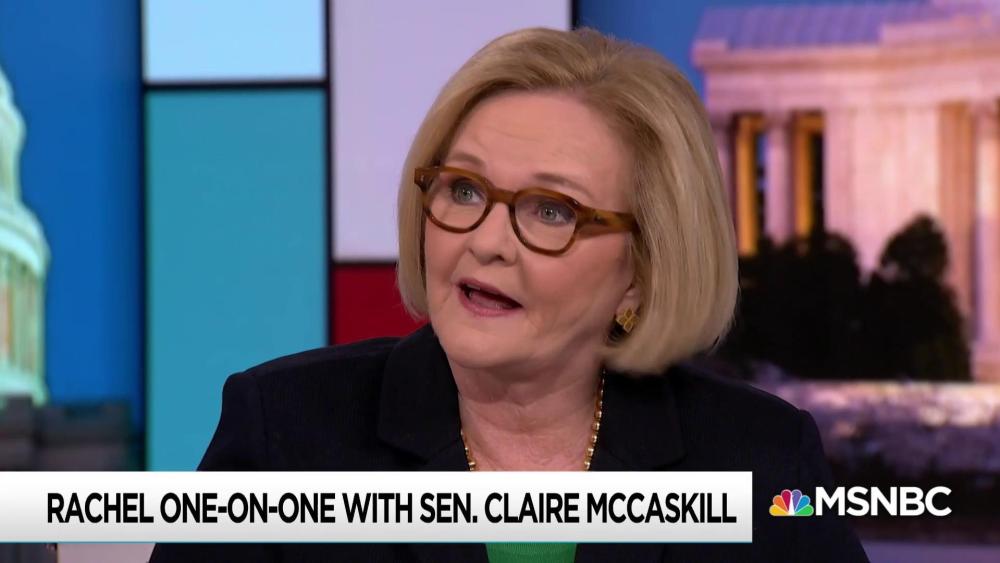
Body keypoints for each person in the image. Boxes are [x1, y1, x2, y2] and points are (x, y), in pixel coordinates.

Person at [151, 27, 869, 563]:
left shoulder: (763, 464)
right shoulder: (285, 435)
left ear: (643, 270)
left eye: (552, 210)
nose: (487, 241)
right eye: (464, 190)